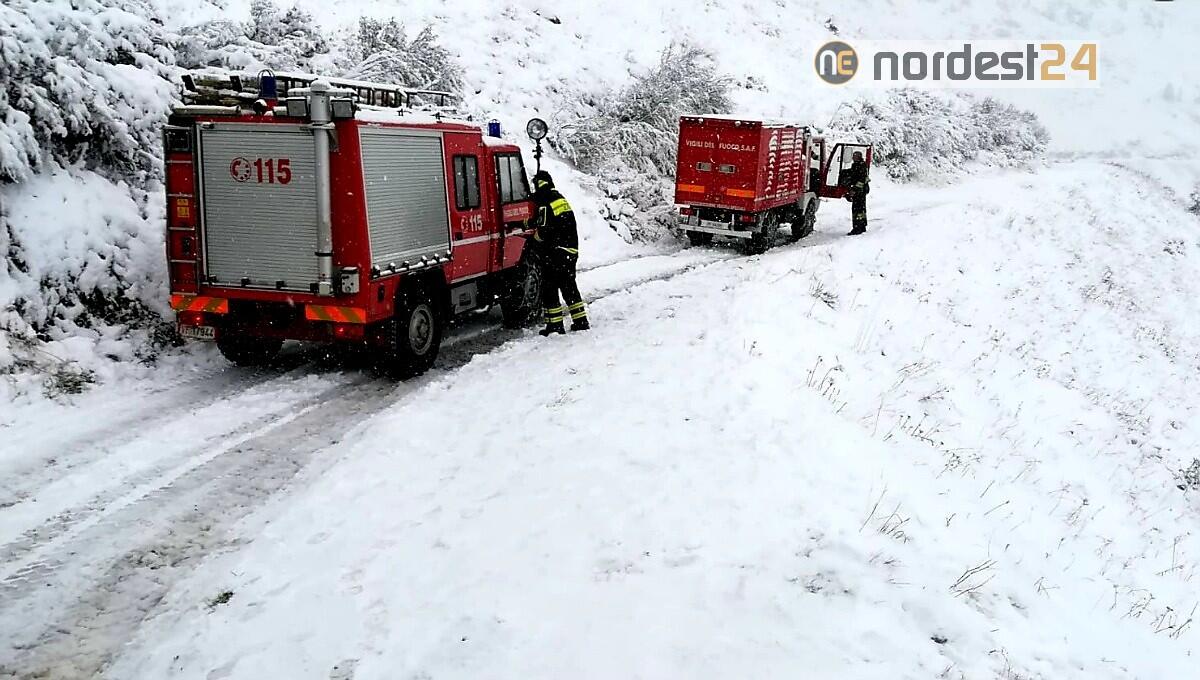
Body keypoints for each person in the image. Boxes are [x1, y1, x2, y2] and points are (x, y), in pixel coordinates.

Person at [528, 170, 589, 335]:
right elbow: (555, 221)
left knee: (549, 287)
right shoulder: (558, 199)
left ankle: (554, 326)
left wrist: (534, 240)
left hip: (557, 253)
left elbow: (545, 228)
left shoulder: (546, 201)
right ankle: (581, 321)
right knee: (569, 286)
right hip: (570, 250)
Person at [843, 151, 870, 235]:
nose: (853, 157)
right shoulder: (856, 165)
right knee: (860, 209)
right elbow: (853, 172)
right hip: (860, 191)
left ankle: (857, 228)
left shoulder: (861, 165)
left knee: (857, 210)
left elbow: (861, 180)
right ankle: (862, 226)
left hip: (860, 192)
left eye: (855, 156)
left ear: (859, 157)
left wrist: (854, 190)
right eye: (853, 155)